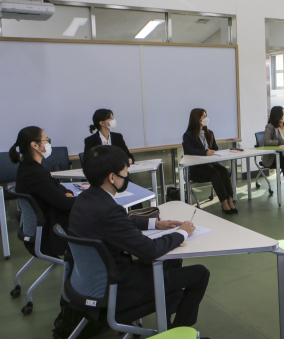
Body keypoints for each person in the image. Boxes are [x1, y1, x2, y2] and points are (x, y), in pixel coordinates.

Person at [68, 145, 210, 331]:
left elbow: (116, 223)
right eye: (125, 172)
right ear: (112, 177)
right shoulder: (109, 210)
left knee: (172, 261)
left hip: (91, 281)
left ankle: (167, 321)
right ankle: (179, 332)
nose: (127, 175)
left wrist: (154, 224)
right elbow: (150, 250)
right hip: (119, 288)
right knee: (200, 273)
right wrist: (182, 232)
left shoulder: (84, 199)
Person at [10, 126, 75, 257]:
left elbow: (55, 186)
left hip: (47, 227)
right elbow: (63, 202)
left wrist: (68, 193)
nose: (49, 143)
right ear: (34, 145)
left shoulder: (30, 168)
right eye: (46, 139)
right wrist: (87, 198)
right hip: (51, 236)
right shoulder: (34, 173)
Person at [182, 108, 237, 214]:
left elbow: (215, 147)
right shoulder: (188, 135)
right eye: (203, 116)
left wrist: (212, 151)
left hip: (211, 163)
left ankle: (230, 199)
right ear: (197, 119)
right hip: (198, 168)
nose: (206, 118)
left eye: (205, 115)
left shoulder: (210, 133)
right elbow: (188, 150)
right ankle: (223, 202)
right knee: (215, 173)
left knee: (224, 171)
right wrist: (204, 152)